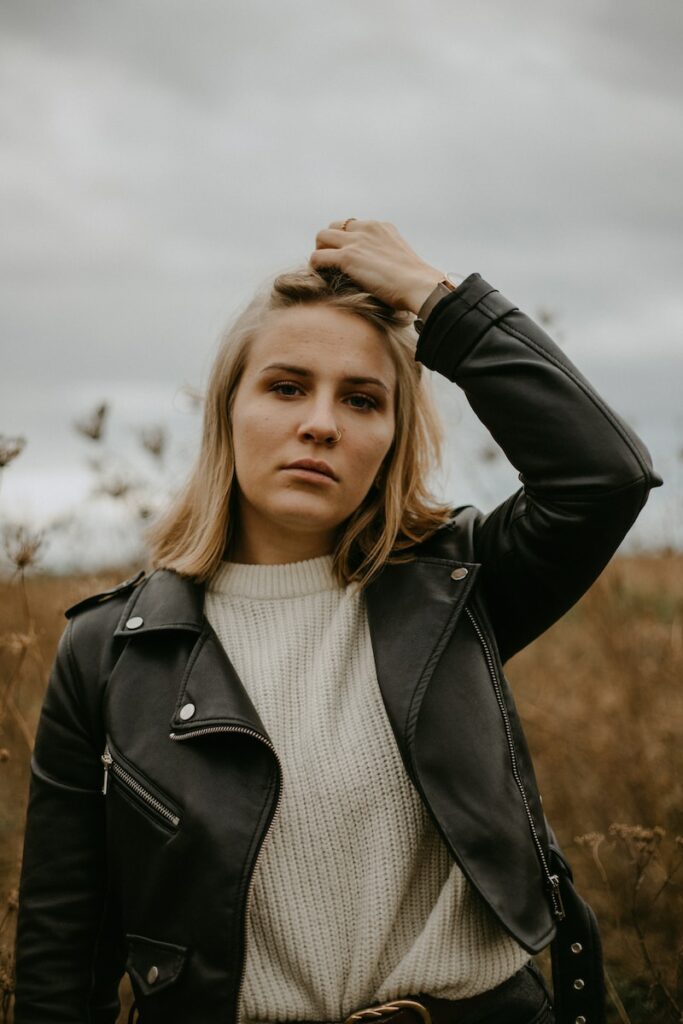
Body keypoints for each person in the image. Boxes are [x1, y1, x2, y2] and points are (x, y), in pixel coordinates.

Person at [14, 219, 662, 1024]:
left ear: (390, 439)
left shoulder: (456, 590)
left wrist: (436, 299)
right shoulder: (109, 652)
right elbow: (61, 957)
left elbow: (602, 477)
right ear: (227, 411)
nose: (320, 423)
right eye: (286, 387)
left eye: (361, 400)